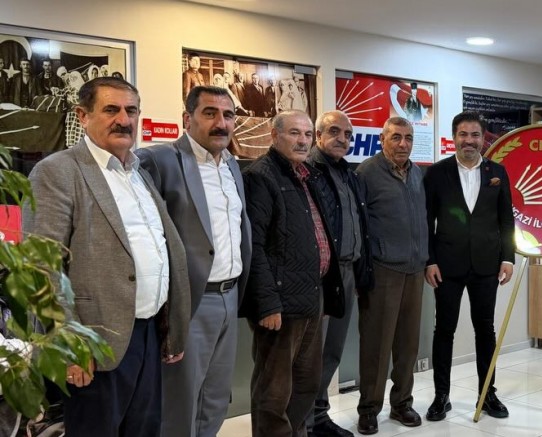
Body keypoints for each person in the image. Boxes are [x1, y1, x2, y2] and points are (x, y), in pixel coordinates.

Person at [23, 76, 191, 437]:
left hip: (147, 333)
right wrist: (68, 345)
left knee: (144, 430)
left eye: (131, 110)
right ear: (83, 116)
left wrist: (171, 326)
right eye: (111, 109)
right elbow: (41, 268)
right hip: (93, 341)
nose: (124, 120)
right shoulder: (58, 171)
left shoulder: (138, 173)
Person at [136, 86, 251, 437]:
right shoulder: (160, 160)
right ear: (187, 119)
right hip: (190, 301)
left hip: (230, 296)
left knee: (215, 397)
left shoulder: (231, 165)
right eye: (210, 113)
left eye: (228, 115)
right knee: (180, 401)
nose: (221, 123)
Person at [242, 110, 344, 436]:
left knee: (306, 383)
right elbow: (254, 245)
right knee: (274, 391)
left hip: (311, 296)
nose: (303, 141)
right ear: (274, 136)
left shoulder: (306, 175)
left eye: (307, 134)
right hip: (281, 305)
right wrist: (267, 304)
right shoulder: (261, 176)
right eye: (294, 133)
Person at [423, 112, 515, 422]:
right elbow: (426, 222)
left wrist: (508, 258)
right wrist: (430, 260)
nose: (469, 141)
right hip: (446, 265)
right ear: (454, 138)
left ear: (483, 138)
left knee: (485, 330)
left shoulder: (497, 172)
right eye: (463, 134)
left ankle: (487, 394)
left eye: (475, 135)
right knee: (444, 330)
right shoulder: (437, 173)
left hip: (487, 265)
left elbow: (506, 220)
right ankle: (441, 396)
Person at [354, 117, 428, 435]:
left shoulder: (417, 173)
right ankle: (369, 408)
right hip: (383, 270)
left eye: (408, 138)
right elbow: (358, 223)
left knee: (408, 345)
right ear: (382, 139)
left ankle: (402, 403)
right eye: (396, 137)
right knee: (377, 345)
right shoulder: (367, 173)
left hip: (414, 270)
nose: (403, 144)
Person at [305, 110, 374, 437]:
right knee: (310, 355)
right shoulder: (307, 171)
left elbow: (360, 227)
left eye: (347, 134)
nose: (342, 139)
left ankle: (319, 417)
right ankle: (304, 422)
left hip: (347, 274)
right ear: (318, 135)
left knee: (331, 352)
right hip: (320, 277)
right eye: (334, 131)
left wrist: (361, 274)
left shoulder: (349, 174)